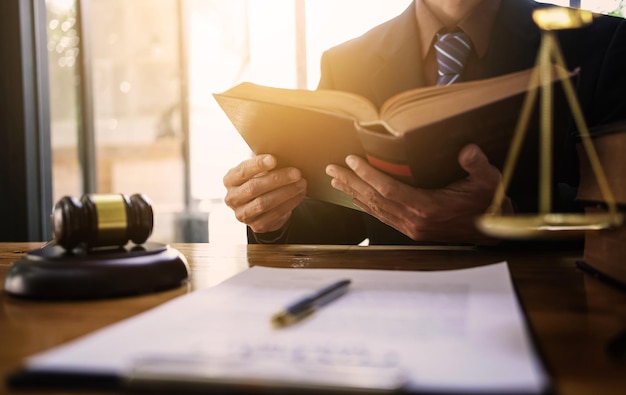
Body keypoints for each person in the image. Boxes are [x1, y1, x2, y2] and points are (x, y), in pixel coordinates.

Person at [223, 0, 626, 246]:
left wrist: (508, 216)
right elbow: (337, 219)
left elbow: (615, 212)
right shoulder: (346, 63)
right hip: (392, 316)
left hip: (555, 314)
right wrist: (274, 218)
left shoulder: (603, 44)